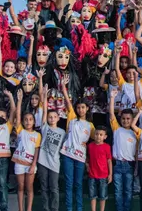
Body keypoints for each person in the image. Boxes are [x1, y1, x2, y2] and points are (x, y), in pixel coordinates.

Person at [60, 76, 94, 211]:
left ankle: (79, 208)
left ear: (87, 109)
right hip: (67, 154)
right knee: (69, 184)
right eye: (78, 107)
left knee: (78, 184)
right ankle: (69, 208)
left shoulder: (90, 126)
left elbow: (97, 139)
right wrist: (63, 87)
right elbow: (68, 102)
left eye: (83, 107)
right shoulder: (72, 118)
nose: (80, 110)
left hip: (80, 157)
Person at [37, 85, 66, 211]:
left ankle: (54, 209)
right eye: (50, 117)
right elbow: (44, 110)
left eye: (54, 117)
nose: (52, 118)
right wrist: (44, 96)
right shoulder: (45, 127)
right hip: (42, 162)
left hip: (54, 163)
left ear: (58, 118)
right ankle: (46, 208)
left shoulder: (62, 132)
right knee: (44, 188)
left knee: (54, 188)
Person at [108, 89, 137, 211]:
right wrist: (112, 98)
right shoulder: (117, 130)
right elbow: (111, 114)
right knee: (118, 191)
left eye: (128, 118)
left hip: (130, 165)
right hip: (118, 165)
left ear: (132, 119)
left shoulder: (135, 133)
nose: (125, 121)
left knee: (128, 191)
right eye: (123, 118)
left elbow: (136, 152)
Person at [13, 90, 42, 211]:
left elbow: (36, 151)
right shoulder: (20, 131)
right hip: (19, 162)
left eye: (30, 119)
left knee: (29, 188)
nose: (28, 121)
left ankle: (28, 209)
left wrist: (33, 164)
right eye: (26, 120)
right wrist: (19, 101)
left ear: (34, 121)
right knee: (20, 187)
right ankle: (21, 209)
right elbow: (18, 115)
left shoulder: (37, 135)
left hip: (30, 164)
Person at [86, 127, 112, 211]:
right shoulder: (90, 146)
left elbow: (109, 161)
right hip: (92, 175)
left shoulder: (107, 147)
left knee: (102, 196)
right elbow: (87, 158)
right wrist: (87, 165)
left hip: (103, 175)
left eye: (101, 135)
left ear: (105, 136)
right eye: (96, 134)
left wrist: (110, 174)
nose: (98, 136)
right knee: (92, 195)